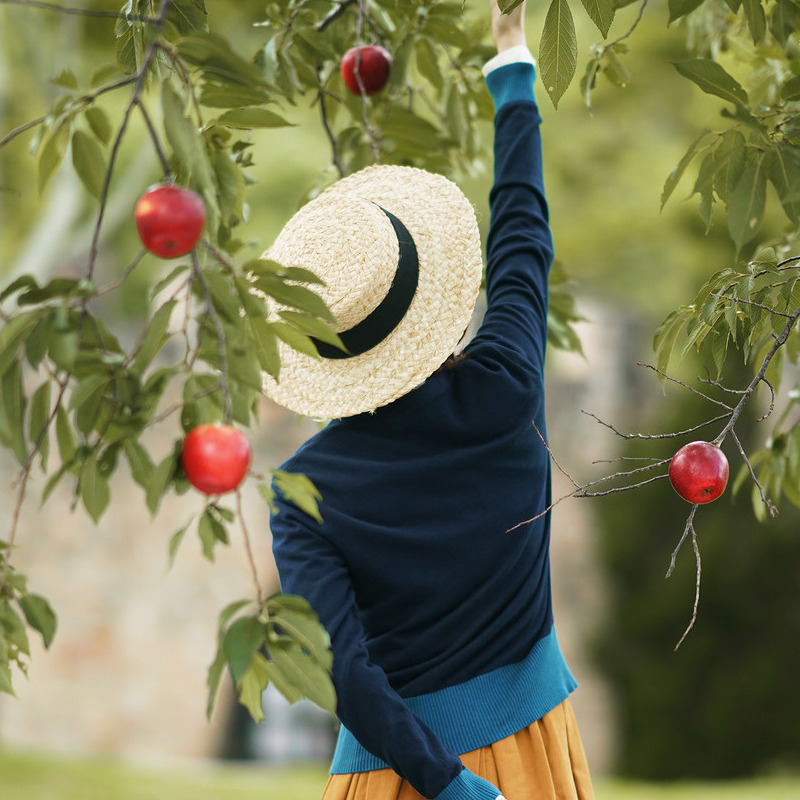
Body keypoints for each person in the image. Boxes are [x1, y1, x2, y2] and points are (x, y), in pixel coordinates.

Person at [263, 2, 594, 798]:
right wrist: (512, 63)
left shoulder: (304, 493)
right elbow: (523, 230)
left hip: (394, 776)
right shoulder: (505, 383)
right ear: (426, 297)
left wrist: (445, 785)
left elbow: (342, 671)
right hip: (534, 750)